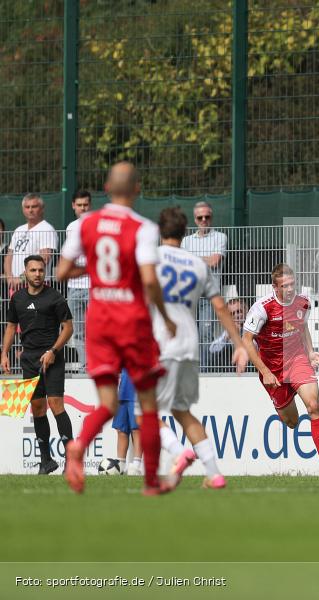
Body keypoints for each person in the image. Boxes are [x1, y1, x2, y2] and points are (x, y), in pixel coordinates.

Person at [57, 161, 177, 496]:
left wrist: (92, 270)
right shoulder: (143, 227)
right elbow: (150, 280)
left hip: (98, 321)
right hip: (132, 322)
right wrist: (166, 318)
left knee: (108, 403)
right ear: (137, 189)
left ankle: (79, 445)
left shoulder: (86, 224)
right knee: (149, 405)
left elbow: (62, 272)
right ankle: (151, 481)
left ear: (106, 189)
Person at [152, 207, 249, 490]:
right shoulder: (198, 265)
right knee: (182, 411)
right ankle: (214, 473)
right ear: (185, 234)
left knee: (141, 412)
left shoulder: (150, 260)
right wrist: (240, 344)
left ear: (160, 231)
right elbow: (220, 306)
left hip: (159, 344)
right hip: (190, 346)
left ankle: (177, 452)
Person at [242, 263, 319, 481]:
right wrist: (265, 372)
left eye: (293, 284)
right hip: (272, 371)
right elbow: (247, 341)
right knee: (292, 422)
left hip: (297, 361)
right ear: (275, 287)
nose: (291, 289)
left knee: (314, 405)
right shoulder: (262, 308)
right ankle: (288, 395)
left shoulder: (303, 302)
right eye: (285, 286)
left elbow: (302, 326)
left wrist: (311, 352)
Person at [1, 255, 74, 475]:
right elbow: (12, 327)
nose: (37, 274)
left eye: (41, 270)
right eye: (33, 270)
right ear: (25, 273)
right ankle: (46, 461)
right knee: (37, 408)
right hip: (29, 360)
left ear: (45, 272)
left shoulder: (55, 297)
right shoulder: (18, 299)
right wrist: (4, 353)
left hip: (52, 358)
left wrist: (53, 351)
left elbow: (68, 328)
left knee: (55, 403)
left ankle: (71, 460)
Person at [181, 201, 228, 370]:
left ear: (211, 218)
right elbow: (182, 265)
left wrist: (191, 259)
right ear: (195, 219)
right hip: (190, 294)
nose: (203, 220)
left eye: (207, 217)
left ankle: (204, 371)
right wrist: (203, 259)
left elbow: (215, 261)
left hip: (209, 295)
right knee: (188, 334)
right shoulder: (186, 240)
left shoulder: (220, 237)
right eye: (200, 217)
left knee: (205, 334)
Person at [5, 194, 57, 296]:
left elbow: (44, 258)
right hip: (15, 285)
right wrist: (10, 278)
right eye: (27, 207)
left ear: (42, 209)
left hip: (36, 284)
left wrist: (21, 279)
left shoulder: (47, 229)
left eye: (34, 206)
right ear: (23, 209)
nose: (30, 210)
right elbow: (8, 257)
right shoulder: (19, 230)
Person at [65, 190, 92, 368]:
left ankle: (100, 364)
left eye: (85, 205)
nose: (82, 208)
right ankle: (85, 365)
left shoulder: (96, 224)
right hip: (74, 286)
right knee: (79, 330)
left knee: (96, 329)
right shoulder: (70, 227)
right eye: (79, 205)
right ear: (73, 206)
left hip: (92, 285)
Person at [110, 370, 143, 476]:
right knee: (121, 429)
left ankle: (136, 465)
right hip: (123, 389)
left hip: (138, 389)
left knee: (136, 429)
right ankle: (120, 465)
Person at [209, 298, 246, 367]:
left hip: (248, 364)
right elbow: (212, 349)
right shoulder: (229, 330)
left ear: (245, 311)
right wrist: (227, 337)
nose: (236, 316)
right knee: (225, 349)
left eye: (239, 311)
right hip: (230, 366)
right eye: (232, 313)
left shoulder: (250, 327)